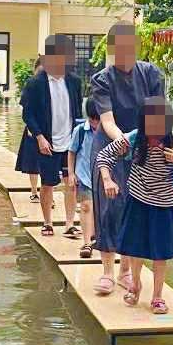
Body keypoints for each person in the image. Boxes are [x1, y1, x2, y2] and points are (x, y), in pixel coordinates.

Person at [95, 97, 173, 314]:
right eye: (151, 123)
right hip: (138, 200)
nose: (156, 130)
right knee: (136, 248)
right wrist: (107, 179)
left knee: (161, 253)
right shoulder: (133, 139)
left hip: (165, 204)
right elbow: (104, 156)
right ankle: (135, 285)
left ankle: (157, 296)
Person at [89, 22, 165, 295]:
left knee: (137, 206)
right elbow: (107, 120)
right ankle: (108, 270)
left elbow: (158, 114)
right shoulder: (102, 79)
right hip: (111, 145)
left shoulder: (151, 74)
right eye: (118, 49)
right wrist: (123, 139)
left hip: (143, 146)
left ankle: (126, 271)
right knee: (109, 207)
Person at [21, 36, 82, 237]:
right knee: (47, 183)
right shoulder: (35, 83)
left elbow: (77, 112)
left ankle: (70, 223)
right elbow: (27, 114)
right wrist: (39, 137)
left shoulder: (73, 81)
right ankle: (47, 222)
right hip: (48, 141)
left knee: (71, 182)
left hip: (70, 141)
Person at [68, 98, 101, 258]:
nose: (95, 123)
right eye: (92, 119)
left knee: (98, 209)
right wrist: (71, 174)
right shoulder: (80, 131)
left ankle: (94, 235)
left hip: (102, 177)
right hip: (84, 175)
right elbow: (72, 152)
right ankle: (86, 243)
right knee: (86, 206)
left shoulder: (108, 131)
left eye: (98, 119)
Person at [15, 57, 45, 202]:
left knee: (48, 163)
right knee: (33, 162)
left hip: (50, 129)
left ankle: (47, 193)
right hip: (33, 128)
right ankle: (34, 191)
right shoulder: (31, 85)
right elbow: (26, 110)